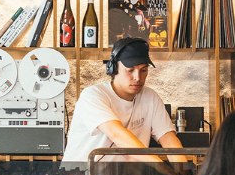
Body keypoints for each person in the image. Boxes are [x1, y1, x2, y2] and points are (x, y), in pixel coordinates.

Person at [61, 37, 183, 167]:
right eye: (130, 70)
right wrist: (161, 167)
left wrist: (183, 171)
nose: (137, 77)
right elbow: (117, 134)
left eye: (143, 70)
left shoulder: (150, 97)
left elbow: (169, 139)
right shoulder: (93, 95)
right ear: (113, 68)